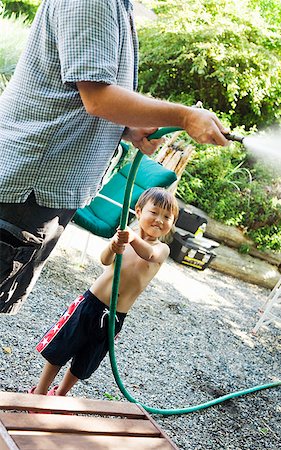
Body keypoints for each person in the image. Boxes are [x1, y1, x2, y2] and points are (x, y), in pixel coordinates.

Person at [0, 0, 229, 314]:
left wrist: (128, 129)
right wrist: (185, 116)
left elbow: (77, 97)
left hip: (44, 186)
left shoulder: (118, 6)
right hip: (30, 185)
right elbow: (98, 98)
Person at [28, 187, 179, 398]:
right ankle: (40, 391)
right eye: (154, 212)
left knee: (86, 360)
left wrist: (132, 239)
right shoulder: (126, 237)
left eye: (167, 217)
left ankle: (60, 393)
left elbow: (150, 254)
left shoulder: (161, 249)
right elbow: (105, 260)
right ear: (138, 211)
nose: (159, 220)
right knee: (61, 347)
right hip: (91, 303)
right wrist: (114, 246)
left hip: (115, 316)